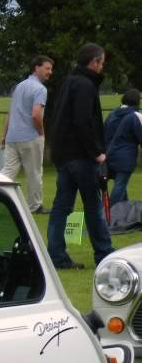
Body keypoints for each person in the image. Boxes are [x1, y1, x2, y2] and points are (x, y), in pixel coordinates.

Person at [46, 44, 114, 269]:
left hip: (64, 155)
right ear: (94, 62)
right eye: (101, 62)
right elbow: (83, 121)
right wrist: (97, 153)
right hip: (81, 156)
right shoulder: (85, 85)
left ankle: (55, 255)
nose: (102, 67)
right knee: (93, 207)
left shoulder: (68, 82)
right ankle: (104, 253)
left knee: (61, 207)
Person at [1, 55, 54, 213]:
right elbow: (36, 114)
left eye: (51, 69)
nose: (50, 72)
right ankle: (34, 206)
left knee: (8, 171)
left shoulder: (19, 86)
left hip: (12, 136)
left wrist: (4, 135)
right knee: (34, 173)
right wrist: (41, 132)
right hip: (30, 137)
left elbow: (11, 112)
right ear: (36, 68)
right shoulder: (40, 89)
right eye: (47, 68)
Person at [104, 88, 142, 205]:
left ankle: (126, 211)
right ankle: (110, 214)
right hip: (125, 156)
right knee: (120, 185)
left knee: (120, 185)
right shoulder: (135, 115)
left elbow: (104, 132)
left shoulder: (112, 114)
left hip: (108, 154)